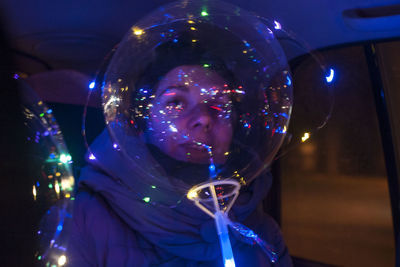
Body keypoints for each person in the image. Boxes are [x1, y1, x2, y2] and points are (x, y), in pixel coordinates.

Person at [67, 10, 293, 266]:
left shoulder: (264, 233)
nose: (205, 118)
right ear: (142, 123)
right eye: (175, 102)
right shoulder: (81, 220)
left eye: (220, 104)